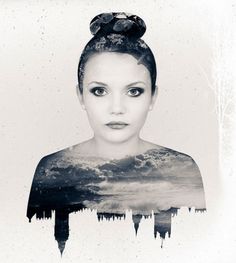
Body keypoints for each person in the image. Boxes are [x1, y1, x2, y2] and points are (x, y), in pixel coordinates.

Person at [27, 12, 205, 253]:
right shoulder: (52, 171)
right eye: (99, 91)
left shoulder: (181, 170)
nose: (117, 109)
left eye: (134, 92)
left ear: (153, 96)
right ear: (80, 96)